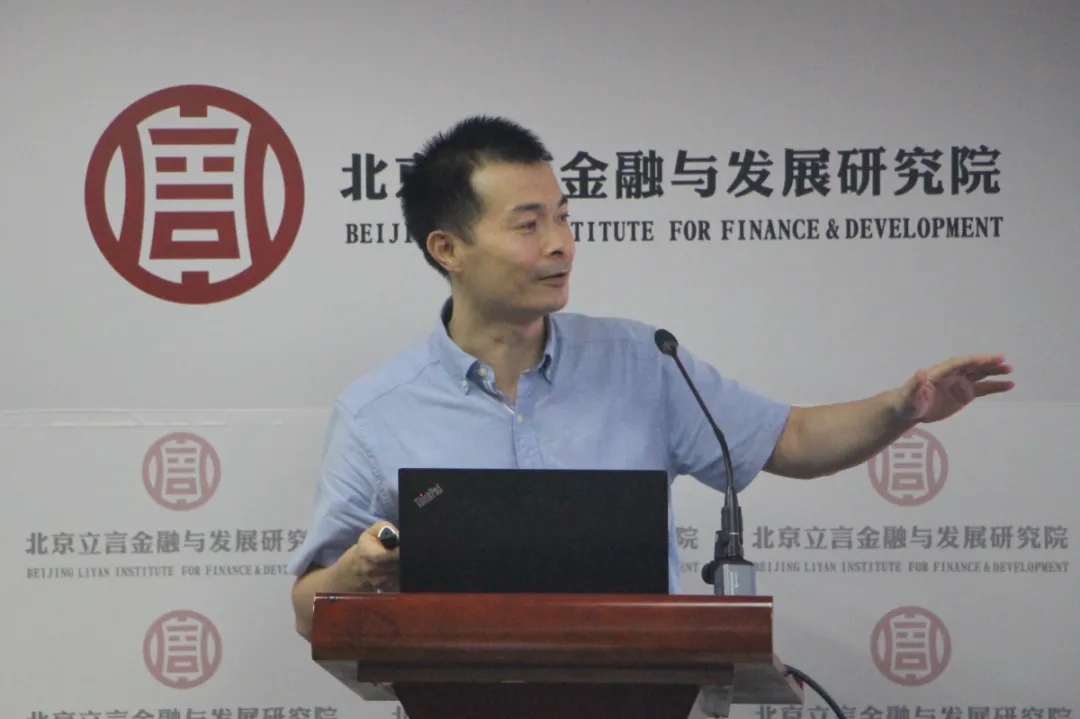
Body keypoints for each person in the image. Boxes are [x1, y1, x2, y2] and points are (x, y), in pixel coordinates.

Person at [286, 116, 1013, 640]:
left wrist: (901, 407)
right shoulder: (377, 411)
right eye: (528, 224)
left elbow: (789, 438)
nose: (562, 244)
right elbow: (308, 605)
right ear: (448, 248)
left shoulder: (641, 361)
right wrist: (358, 571)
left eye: (563, 217)